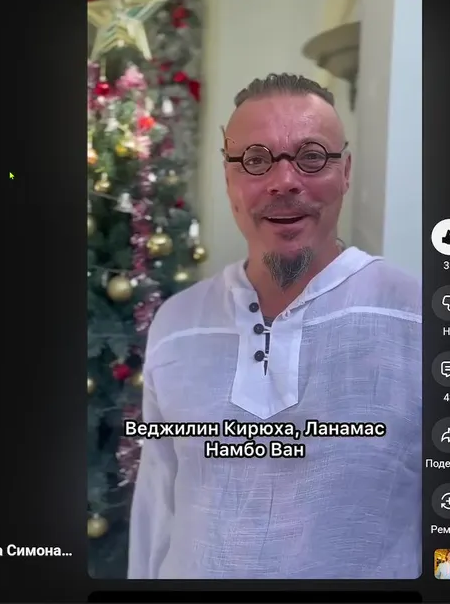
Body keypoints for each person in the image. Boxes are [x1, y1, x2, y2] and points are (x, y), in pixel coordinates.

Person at [128, 74, 422, 579]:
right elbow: (156, 511)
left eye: (311, 156)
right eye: (255, 160)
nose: (284, 181)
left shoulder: (417, 317)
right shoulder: (176, 323)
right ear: (229, 179)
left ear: (346, 172)